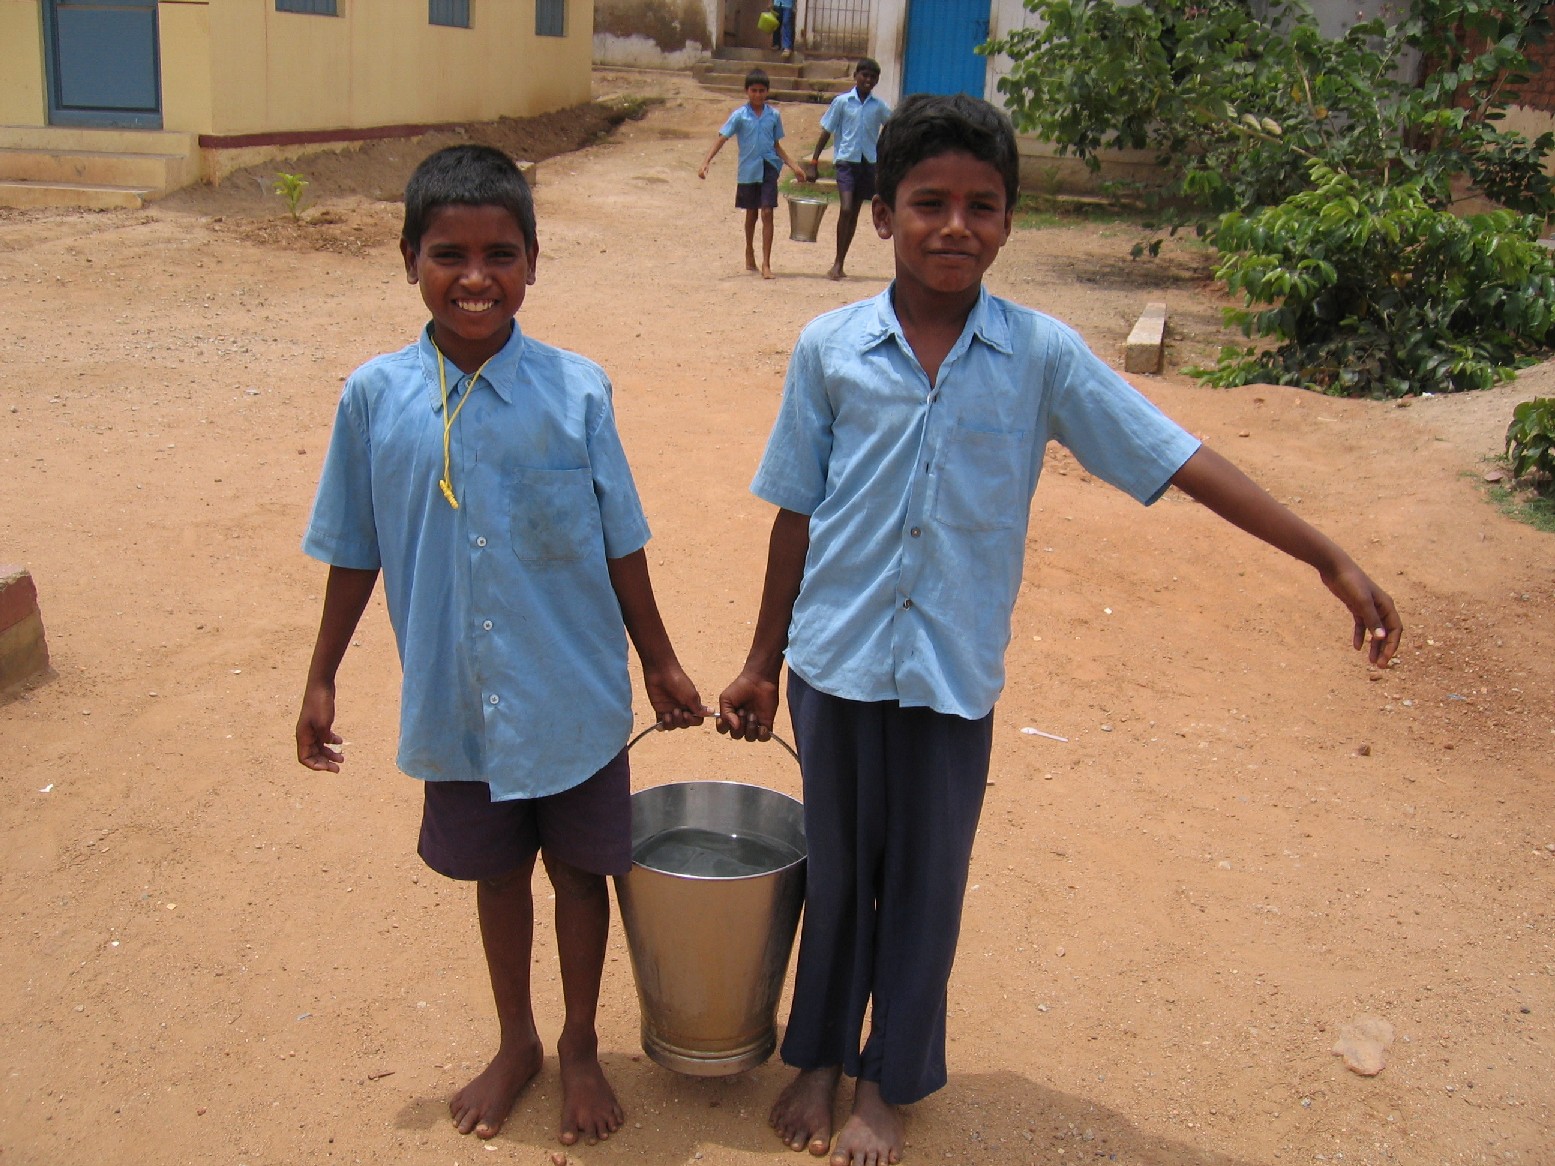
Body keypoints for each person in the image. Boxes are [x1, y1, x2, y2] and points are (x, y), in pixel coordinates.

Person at [716, 95, 1402, 1166]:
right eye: (928, 201)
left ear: (1008, 220)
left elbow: (1174, 454)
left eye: (980, 205)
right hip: (837, 662)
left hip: (950, 673)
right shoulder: (830, 348)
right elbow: (794, 508)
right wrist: (763, 661)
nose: (955, 225)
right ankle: (816, 1053)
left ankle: (888, 1078)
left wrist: (1325, 553)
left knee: (926, 883)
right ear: (884, 212)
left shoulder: (1040, 355)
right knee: (839, 870)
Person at [295, 144, 708, 1148]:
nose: (475, 275)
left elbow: (622, 535)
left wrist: (657, 658)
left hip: (571, 694)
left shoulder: (577, 392)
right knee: (495, 874)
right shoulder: (372, 398)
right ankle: (515, 1035)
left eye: (500, 252)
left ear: (533, 262)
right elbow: (354, 548)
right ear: (408, 259)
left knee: (578, 874)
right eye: (449, 252)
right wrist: (320, 673)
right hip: (457, 695)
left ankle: (575, 1042)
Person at [699, 69, 807, 279]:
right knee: (751, 214)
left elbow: (776, 145)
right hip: (748, 169)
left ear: (767, 92)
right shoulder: (740, 116)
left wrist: (794, 166)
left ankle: (767, 263)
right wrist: (706, 161)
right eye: (754, 90)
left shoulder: (773, 116)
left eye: (762, 91)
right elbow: (722, 138)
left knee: (767, 212)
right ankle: (749, 249)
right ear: (747, 91)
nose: (758, 95)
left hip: (769, 167)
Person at [809, 59, 891, 280]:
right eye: (864, 75)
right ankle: (836, 262)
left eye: (873, 77)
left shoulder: (879, 106)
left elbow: (892, 126)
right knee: (845, 209)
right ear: (855, 75)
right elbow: (826, 131)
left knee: (853, 212)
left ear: (877, 81)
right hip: (846, 161)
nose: (868, 80)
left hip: (868, 164)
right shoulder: (842, 102)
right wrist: (814, 162)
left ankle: (840, 262)